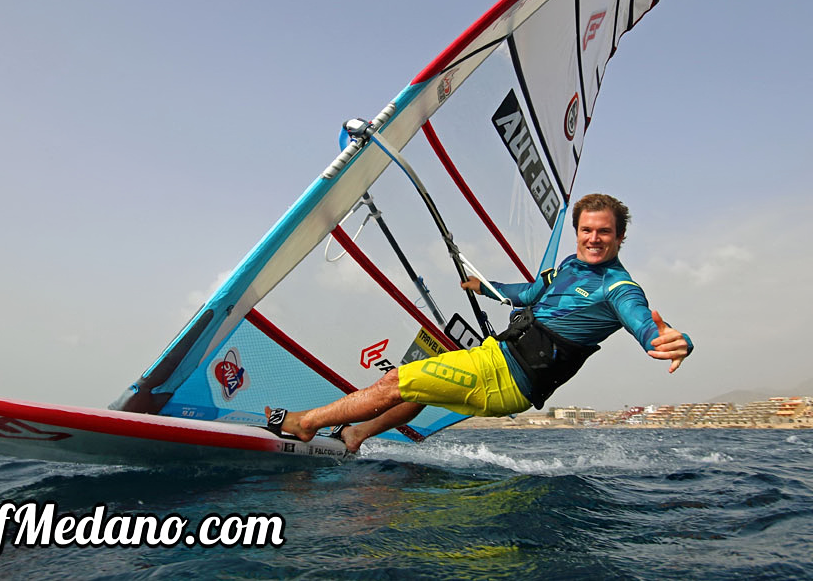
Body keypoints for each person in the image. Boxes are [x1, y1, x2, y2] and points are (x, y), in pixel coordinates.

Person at [267, 193, 693, 452]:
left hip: (509, 377)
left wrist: (670, 339)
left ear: (620, 238)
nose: (594, 239)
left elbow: (644, 323)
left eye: (604, 233)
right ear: (578, 232)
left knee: (395, 381)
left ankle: (305, 424)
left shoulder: (618, 287)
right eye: (586, 230)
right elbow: (529, 293)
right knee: (422, 392)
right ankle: (357, 436)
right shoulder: (569, 265)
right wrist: (487, 288)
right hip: (496, 357)